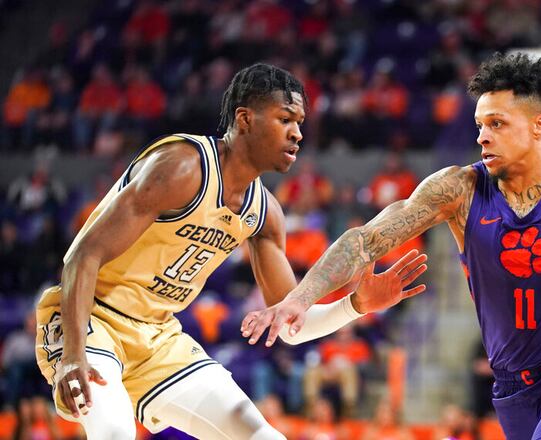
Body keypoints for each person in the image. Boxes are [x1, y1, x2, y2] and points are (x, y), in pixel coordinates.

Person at [243, 53, 541, 440]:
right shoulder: (458, 190)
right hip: (512, 386)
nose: (482, 135)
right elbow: (365, 241)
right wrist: (299, 299)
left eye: (497, 123)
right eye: (480, 124)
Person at [35, 63, 428, 439]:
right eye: (285, 119)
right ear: (245, 119)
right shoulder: (181, 167)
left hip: (157, 336)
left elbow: (288, 324)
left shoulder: (265, 213)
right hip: (92, 318)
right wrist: (72, 352)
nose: (297, 134)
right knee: (114, 430)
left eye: (300, 124)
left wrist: (354, 307)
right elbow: (81, 256)